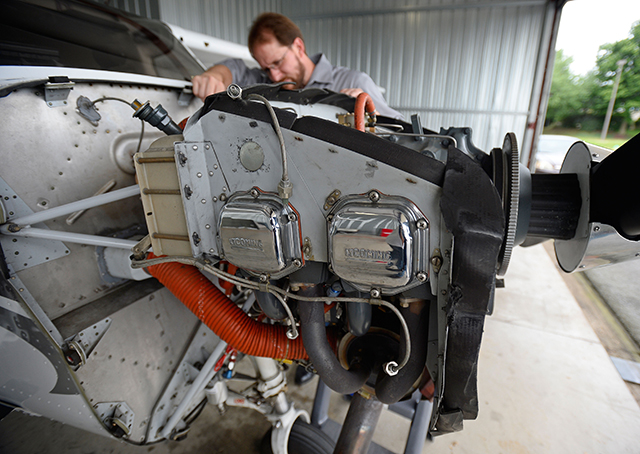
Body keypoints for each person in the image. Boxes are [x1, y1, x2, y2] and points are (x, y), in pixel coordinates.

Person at [191, 12, 402, 119]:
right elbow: (233, 68)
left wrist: (370, 114)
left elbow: (399, 132)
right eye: (266, 68)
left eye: (278, 62)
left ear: (298, 47)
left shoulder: (353, 82)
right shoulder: (264, 83)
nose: (274, 76)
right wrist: (214, 77)